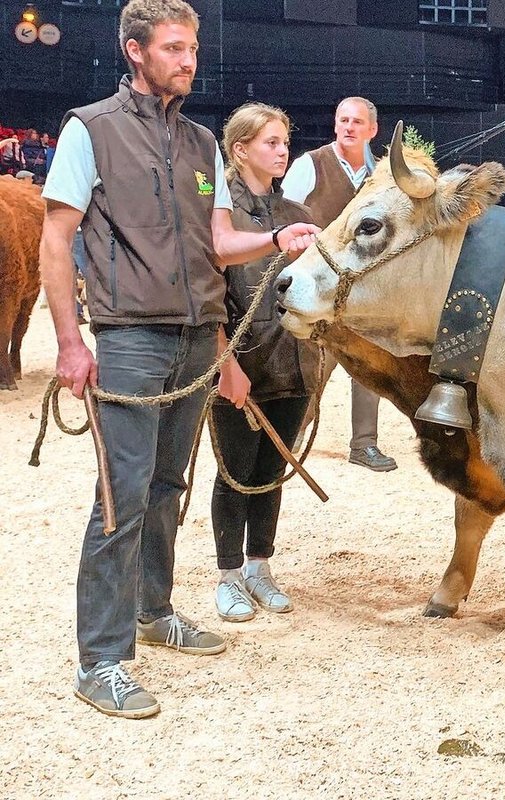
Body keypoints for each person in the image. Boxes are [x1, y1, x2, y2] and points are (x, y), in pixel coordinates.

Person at [38, 0, 320, 718]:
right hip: (130, 338)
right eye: (172, 48)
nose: (188, 60)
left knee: (169, 485)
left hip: (198, 337)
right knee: (121, 496)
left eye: (191, 48)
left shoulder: (200, 143)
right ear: (134, 51)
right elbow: (56, 238)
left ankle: (153, 610)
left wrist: (276, 240)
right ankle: (101, 661)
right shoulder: (89, 129)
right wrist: (70, 342)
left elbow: (219, 244)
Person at [211, 102, 321, 623]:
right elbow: (207, 294)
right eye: (271, 143)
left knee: (272, 471)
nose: (282, 152)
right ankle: (229, 577)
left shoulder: (298, 215)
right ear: (240, 150)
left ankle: (259, 568)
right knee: (234, 472)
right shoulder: (218, 216)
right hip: (241, 364)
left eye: (285, 142)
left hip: (294, 363)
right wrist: (224, 363)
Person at [282, 96, 397, 472]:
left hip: (365, 292)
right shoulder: (310, 165)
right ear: (335, 124)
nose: (348, 127)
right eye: (343, 120)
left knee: (369, 367)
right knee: (315, 366)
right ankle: (293, 435)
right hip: (319, 287)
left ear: (372, 130)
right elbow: (284, 217)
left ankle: (364, 444)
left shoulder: (383, 176)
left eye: (357, 122)